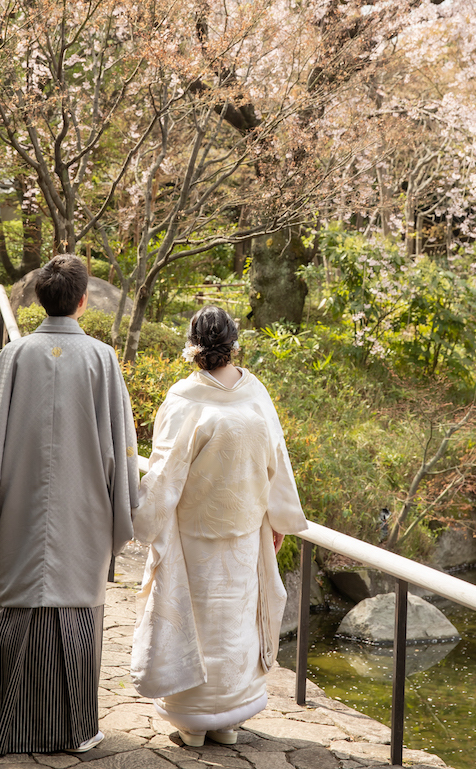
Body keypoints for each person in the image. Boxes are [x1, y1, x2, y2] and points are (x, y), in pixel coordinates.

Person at [0, 254, 138, 756]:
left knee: (20, 611)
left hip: (20, 509)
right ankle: (76, 731)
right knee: (76, 616)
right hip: (85, 512)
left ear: (39, 298)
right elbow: (122, 444)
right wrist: (124, 505)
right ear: (82, 301)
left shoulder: (15, 356)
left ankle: (7, 729)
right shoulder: (102, 358)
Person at [130, 305, 306, 747]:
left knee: (199, 619)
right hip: (246, 529)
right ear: (234, 344)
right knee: (234, 625)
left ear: (191, 346)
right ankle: (229, 718)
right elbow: (277, 461)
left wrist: (143, 521)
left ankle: (192, 721)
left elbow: (165, 470)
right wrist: (278, 520)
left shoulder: (183, 397)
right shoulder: (254, 393)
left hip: (194, 533)